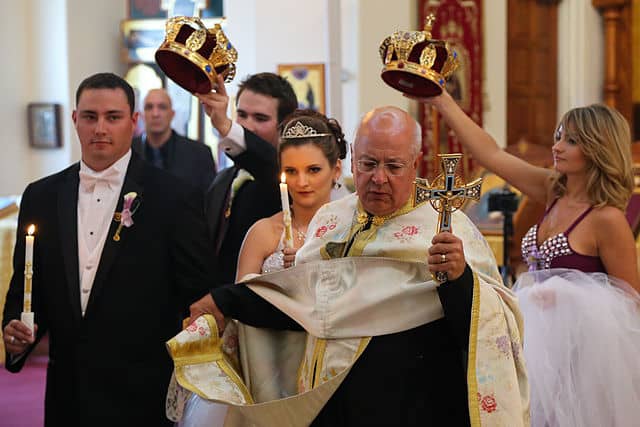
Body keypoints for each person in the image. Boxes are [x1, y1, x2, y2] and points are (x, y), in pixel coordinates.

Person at [182, 106, 529, 426]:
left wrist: (459, 279)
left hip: (408, 403)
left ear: (415, 163)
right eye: (368, 164)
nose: (378, 178)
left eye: (393, 166)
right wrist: (223, 303)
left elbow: (490, 321)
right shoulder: (332, 219)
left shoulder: (445, 229)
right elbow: (301, 303)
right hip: (328, 403)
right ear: (351, 163)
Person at [1, 73, 213, 427]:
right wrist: (17, 331)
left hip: (143, 392)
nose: (100, 128)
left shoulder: (174, 197)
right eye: (89, 116)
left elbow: (197, 293)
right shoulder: (41, 196)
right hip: (68, 393)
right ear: (75, 120)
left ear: (133, 122)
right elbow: (27, 284)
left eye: (112, 117)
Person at [423, 90, 640, 426]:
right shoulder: (553, 190)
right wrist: (441, 102)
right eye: (558, 137)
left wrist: (573, 298)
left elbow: (630, 302)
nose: (556, 147)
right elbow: (491, 154)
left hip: (580, 359)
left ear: (597, 148)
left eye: (570, 141)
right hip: (531, 343)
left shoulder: (606, 219)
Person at [177, 109, 347, 426]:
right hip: (266, 368)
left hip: (330, 370)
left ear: (336, 169)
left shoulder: (349, 231)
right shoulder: (263, 233)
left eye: (313, 169)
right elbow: (240, 303)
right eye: (291, 171)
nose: (302, 182)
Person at [198, 73, 298, 286]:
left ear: (283, 126)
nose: (248, 126)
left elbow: (266, 162)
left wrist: (225, 126)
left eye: (260, 118)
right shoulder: (222, 179)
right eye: (241, 115)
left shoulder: (289, 179)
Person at [132, 88, 216, 192]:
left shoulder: (199, 154)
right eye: (149, 107)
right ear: (142, 115)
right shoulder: (127, 150)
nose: (155, 114)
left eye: (162, 107)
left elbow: (211, 201)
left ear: (172, 114)